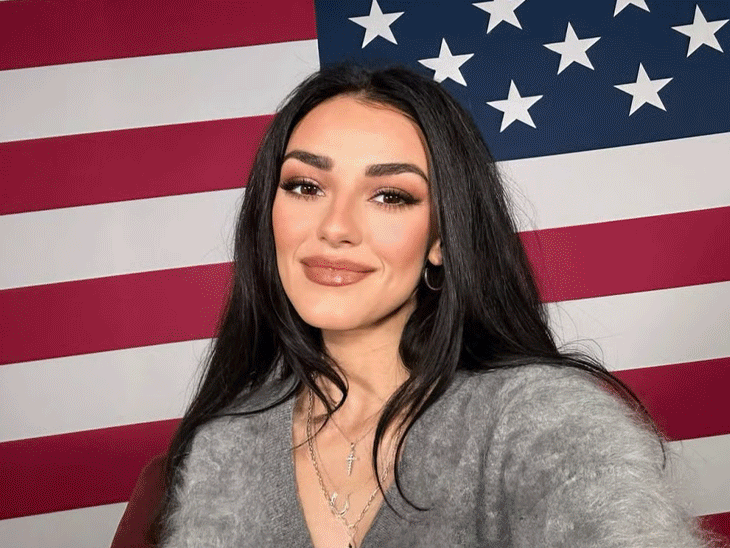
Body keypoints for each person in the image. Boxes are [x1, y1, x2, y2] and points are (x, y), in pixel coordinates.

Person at [112, 64, 715, 548]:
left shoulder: (543, 422)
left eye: (390, 196)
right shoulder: (224, 444)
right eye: (305, 186)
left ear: (442, 239)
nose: (335, 227)